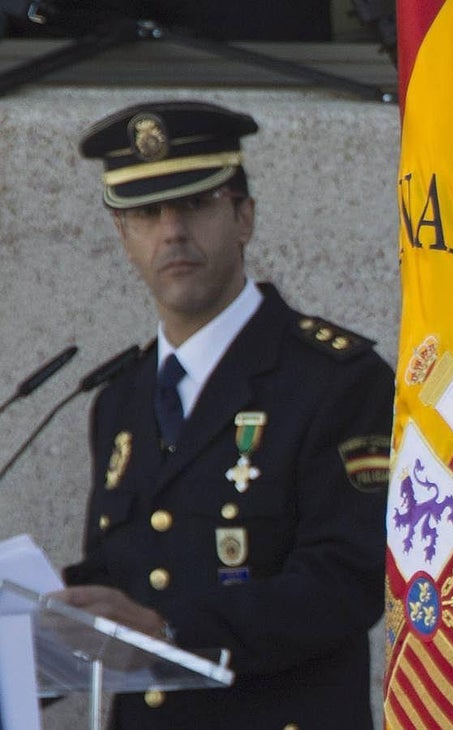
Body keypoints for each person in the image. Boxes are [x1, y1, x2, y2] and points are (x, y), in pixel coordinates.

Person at [55, 100, 396, 729]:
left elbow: (346, 581)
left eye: (195, 204)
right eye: (146, 213)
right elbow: (119, 575)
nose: (172, 232)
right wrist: (42, 630)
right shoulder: (120, 400)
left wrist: (171, 631)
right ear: (123, 237)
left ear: (244, 217)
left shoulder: (337, 380)